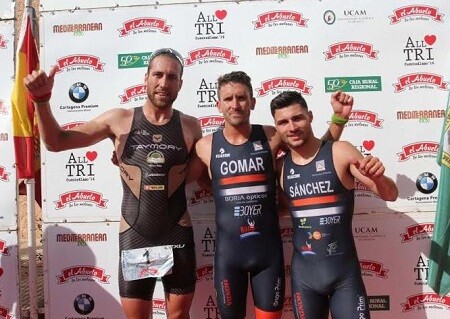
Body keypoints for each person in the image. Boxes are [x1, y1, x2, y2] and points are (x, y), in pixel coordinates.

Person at [24, 48, 202, 319]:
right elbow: (56, 142)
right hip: (135, 234)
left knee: (179, 317)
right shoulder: (119, 120)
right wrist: (41, 99)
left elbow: (193, 173)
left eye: (171, 77)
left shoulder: (191, 126)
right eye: (157, 74)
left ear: (180, 83)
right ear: (145, 78)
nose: (164, 83)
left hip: (177, 233)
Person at [189, 71, 354, 319]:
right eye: (228, 98)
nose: (235, 104)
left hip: (267, 256)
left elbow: (314, 154)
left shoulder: (271, 136)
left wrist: (338, 121)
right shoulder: (205, 146)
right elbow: (185, 176)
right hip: (228, 257)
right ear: (218, 105)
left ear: (252, 102)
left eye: (242, 98)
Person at [270, 91, 398, 319]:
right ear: (277, 128)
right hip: (304, 279)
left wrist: (379, 177)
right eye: (283, 122)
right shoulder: (280, 168)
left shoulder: (340, 152)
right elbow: (278, 209)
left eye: (297, 118)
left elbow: (391, 194)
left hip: (344, 279)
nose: (292, 127)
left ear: (310, 116)